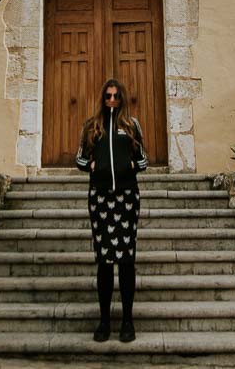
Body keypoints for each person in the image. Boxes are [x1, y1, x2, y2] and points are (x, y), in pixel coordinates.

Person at [74, 78, 149, 343]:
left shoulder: (131, 126)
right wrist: (93, 168)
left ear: (122, 99)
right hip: (101, 199)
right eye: (108, 96)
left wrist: (129, 166)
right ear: (102, 98)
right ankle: (104, 321)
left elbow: (144, 161)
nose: (112, 101)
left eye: (117, 96)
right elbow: (80, 159)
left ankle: (127, 321)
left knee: (127, 261)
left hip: (127, 198)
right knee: (105, 262)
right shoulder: (91, 127)